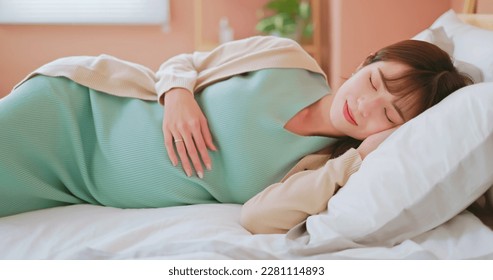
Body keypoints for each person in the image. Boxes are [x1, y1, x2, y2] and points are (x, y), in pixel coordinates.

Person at [0, 36, 471, 226]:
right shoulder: (286, 59)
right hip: (72, 110)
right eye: (374, 81)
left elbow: (257, 218)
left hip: (69, 185)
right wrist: (179, 95)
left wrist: (357, 159)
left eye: (389, 116)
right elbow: (185, 62)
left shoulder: (325, 166)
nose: (365, 105)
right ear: (365, 62)